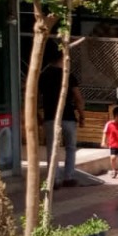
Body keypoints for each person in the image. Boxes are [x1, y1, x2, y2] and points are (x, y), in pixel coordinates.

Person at [38, 49, 84, 188]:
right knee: (71, 147)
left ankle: (54, 179)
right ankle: (69, 177)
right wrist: (82, 115)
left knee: (52, 148)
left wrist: (36, 114)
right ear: (63, 59)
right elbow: (77, 97)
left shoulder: (43, 76)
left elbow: (35, 97)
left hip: (50, 117)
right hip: (68, 116)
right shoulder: (68, 76)